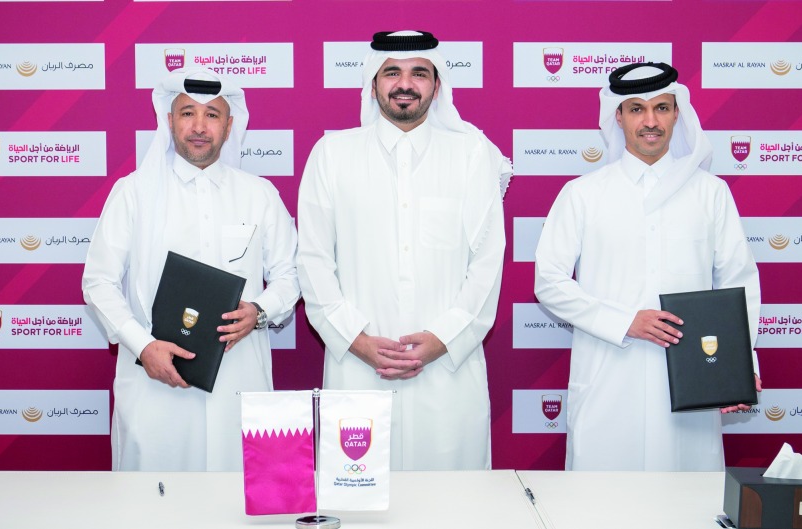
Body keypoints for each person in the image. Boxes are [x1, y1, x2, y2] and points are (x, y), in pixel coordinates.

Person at [533, 62, 761, 471]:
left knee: (687, 505)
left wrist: (738, 367)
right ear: (617, 117)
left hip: (695, 379)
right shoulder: (583, 194)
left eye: (661, 107)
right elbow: (548, 282)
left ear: (678, 113)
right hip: (607, 377)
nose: (650, 121)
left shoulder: (711, 193)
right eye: (636, 109)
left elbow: (738, 283)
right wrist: (625, 322)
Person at [297, 31, 509, 470]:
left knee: (453, 504)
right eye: (391, 72)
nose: (405, 83)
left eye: (419, 73)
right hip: (359, 367)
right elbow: (314, 261)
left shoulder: (472, 154)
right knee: (359, 503)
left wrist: (442, 339)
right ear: (373, 84)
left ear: (437, 84)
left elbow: (487, 263)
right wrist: (355, 340)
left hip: (448, 369)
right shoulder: (332, 155)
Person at [83, 69, 299, 471]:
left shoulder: (260, 195)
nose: (199, 127)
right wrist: (143, 346)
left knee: (235, 504)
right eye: (187, 113)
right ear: (169, 120)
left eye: (212, 115)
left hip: (238, 378)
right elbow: (98, 282)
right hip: (154, 384)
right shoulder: (133, 193)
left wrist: (260, 311)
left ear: (230, 124)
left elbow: (290, 275)